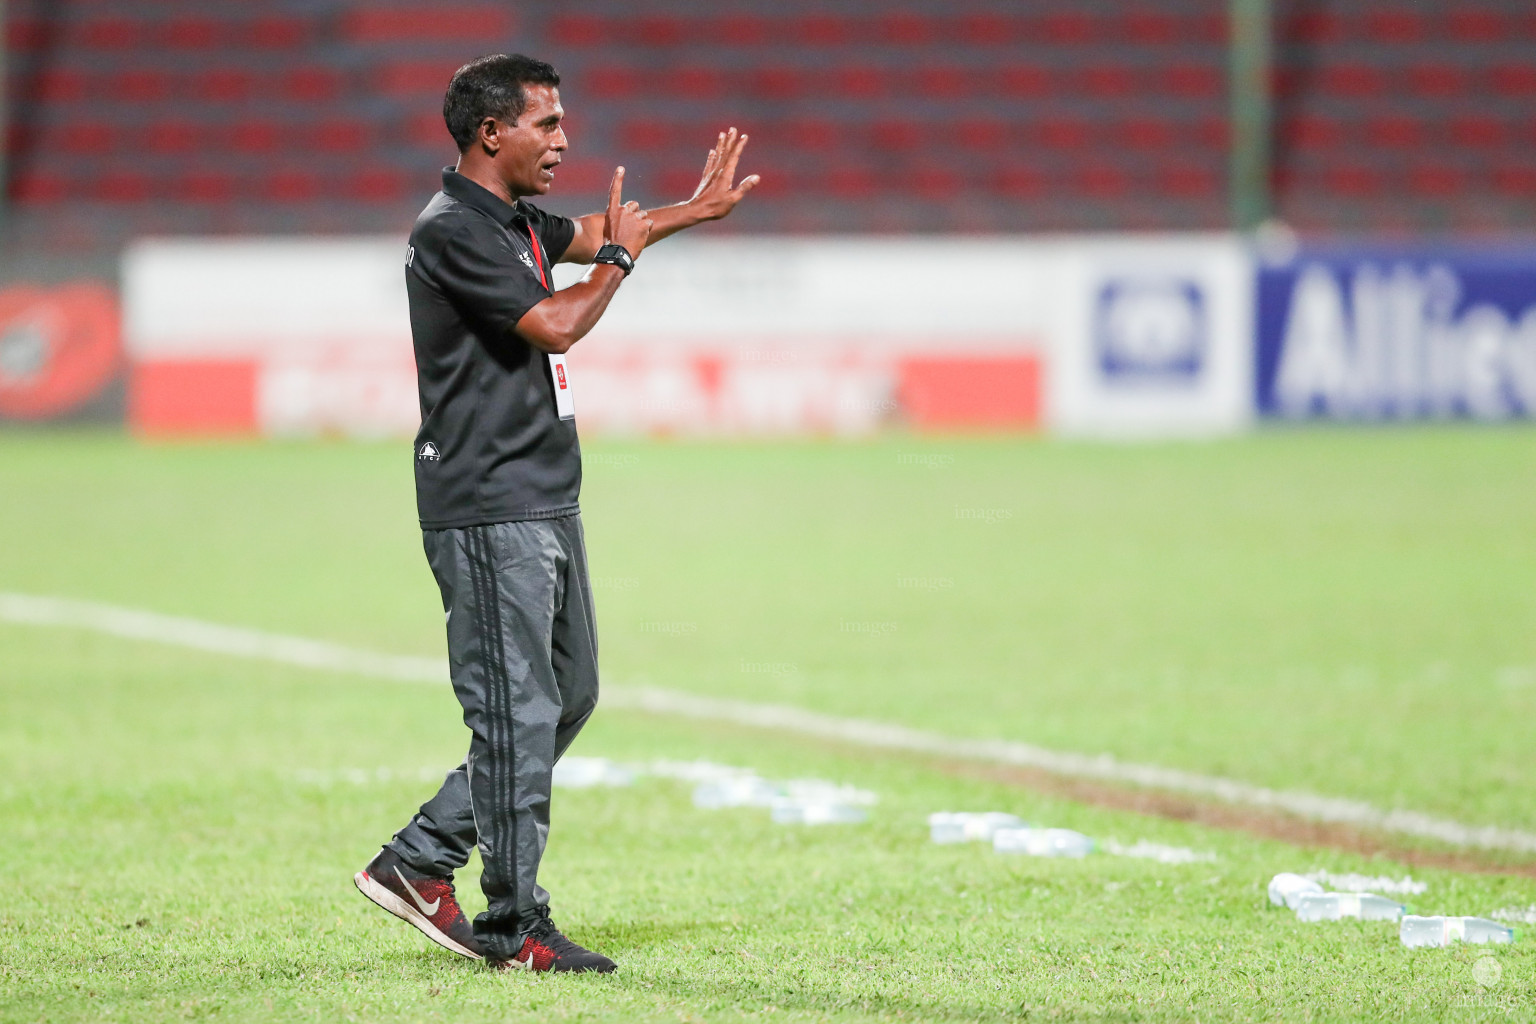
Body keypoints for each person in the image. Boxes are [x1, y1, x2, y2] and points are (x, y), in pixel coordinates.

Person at [352, 53, 758, 974]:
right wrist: (618, 260)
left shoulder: (513, 220)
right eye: (548, 124)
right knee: (516, 712)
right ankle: (513, 925)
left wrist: (691, 211)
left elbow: (596, 231)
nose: (566, 140)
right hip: (490, 505)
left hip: (540, 496)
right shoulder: (454, 230)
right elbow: (558, 322)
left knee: (562, 699)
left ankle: (417, 861)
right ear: (492, 133)